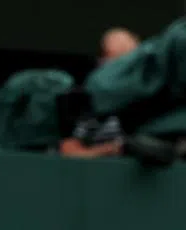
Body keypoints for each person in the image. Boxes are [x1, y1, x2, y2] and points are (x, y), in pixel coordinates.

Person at [58, 27, 139, 158]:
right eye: (112, 57)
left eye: (128, 57)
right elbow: (68, 150)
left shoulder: (155, 101)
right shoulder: (91, 103)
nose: (121, 64)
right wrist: (110, 149)